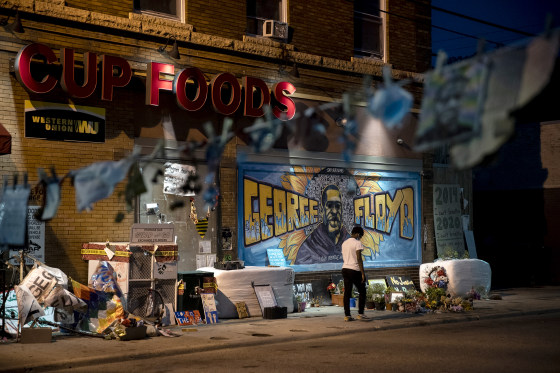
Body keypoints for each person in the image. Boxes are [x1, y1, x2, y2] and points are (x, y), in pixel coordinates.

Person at [295, 184, 349, 264]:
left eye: (337, 206)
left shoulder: (349, 240)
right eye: (329, 206)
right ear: (321, 211)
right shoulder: (308, 247)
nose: (334, 211)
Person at [341, 226, 370, 321]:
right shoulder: (357, 243)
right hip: (354, 269)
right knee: (362, 291)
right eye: (361, 236)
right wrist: (363, 273)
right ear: (358, 234)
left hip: (345, 268)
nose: (360, 238)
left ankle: (347, 315)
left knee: (347, 293)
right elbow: (359, 258)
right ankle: (360, 313)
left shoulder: (344, 243)